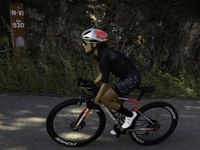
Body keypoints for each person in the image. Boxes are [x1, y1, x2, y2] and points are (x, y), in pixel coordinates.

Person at [81, 28, 141, 135]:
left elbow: (105, 83)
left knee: (104, 99)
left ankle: (130, 116)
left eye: (85, 42)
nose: (83, 45)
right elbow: (103, 72)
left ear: (94, 44)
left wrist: (94, 103)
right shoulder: (101, 54)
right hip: (127, 78)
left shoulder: (103, 55)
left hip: (131, 79)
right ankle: (122, 125)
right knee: (114, 105)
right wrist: (93, 84)